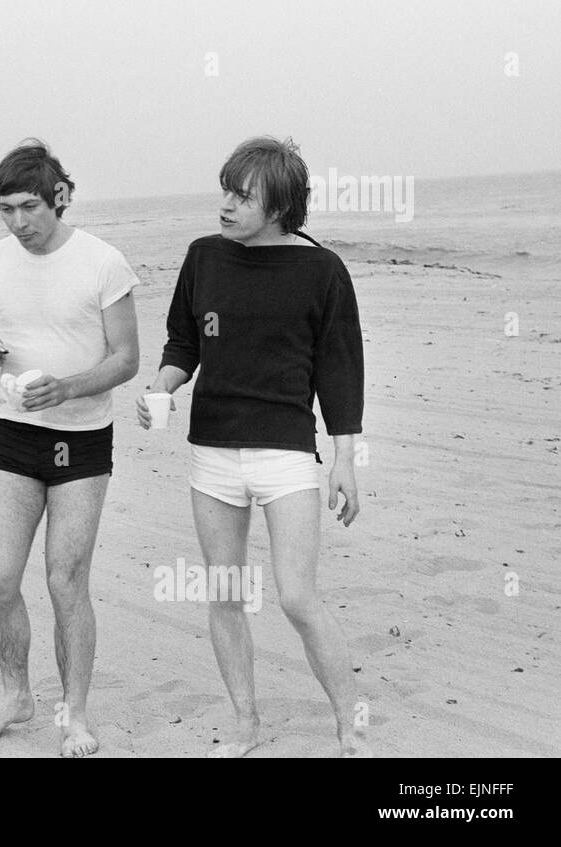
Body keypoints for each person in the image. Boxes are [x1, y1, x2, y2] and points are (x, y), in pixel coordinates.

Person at [138, 136, 369, 758]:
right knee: (224, 592)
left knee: (297, 595)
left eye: (243, 196)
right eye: (226, 190)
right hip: (212, 452)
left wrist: (345, 461)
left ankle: (350, 725)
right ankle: (244, 724)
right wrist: (161, 386)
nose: (226, 205)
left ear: (280, 206)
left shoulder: (322, 271)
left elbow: (340, 374)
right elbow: (183, 342)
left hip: (285, 453)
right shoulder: (204, 258)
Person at [0, 140, 140, 758]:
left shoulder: (103, 262)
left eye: (30, 207)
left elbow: (127, 359)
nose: (19, 223)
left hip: (83, 438)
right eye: (7, 210)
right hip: (14, 431)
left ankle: (75, 714)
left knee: (65, 580)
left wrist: (67, 386)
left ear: (58, 197)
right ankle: (17, 694)